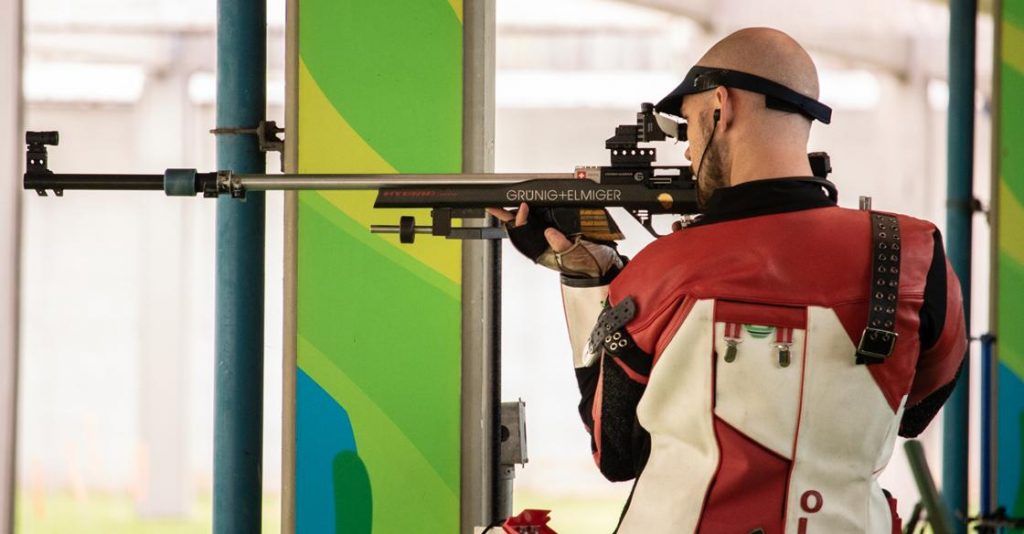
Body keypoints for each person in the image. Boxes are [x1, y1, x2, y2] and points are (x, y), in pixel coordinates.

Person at [489, 27, 966, 533]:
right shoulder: (911, 254)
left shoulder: (662, 270)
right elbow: (913, 412)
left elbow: (616, 453)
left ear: (722, 104)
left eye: (690, 125)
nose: (689, 149)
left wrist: (592, 278)